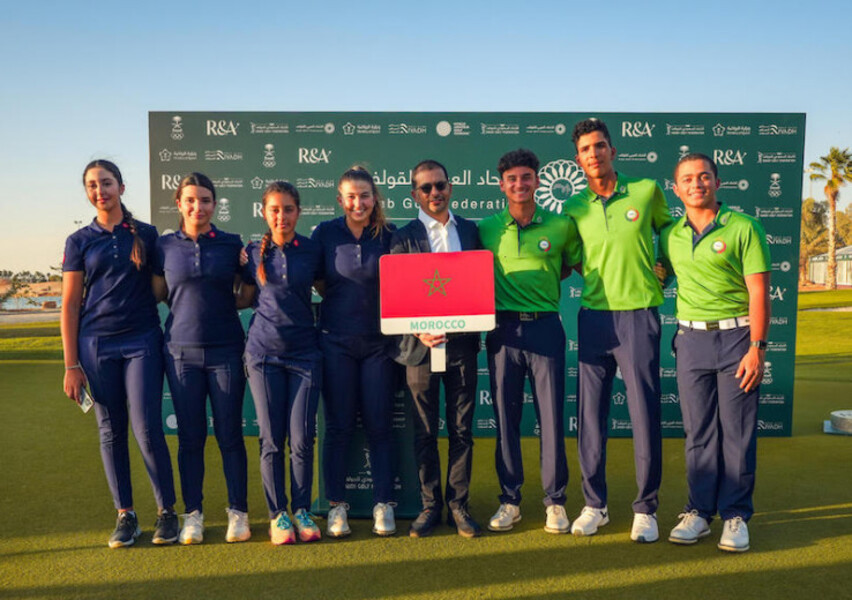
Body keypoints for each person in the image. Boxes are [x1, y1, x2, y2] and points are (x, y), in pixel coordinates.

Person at [564, 118, 671, 543]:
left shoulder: (645, 190)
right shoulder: (574, 208)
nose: (594, 154)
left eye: (600, 146)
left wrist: (666, 272)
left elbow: (675, 234)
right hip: (593, 317)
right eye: (586, 149)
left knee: (644, 413)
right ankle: (595, 505)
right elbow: (573, 258)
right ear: (578, 160)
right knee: (591, 416)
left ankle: (645, 509)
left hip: (640, 315)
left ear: (612, 151)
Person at [61, 159, 178, 548]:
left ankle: (167, 514)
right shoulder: (79, 241)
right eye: (92, 186)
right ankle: (126, 515)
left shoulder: (146, 233)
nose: (100, 191)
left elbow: (161, 288)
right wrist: (71, 365)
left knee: (146, 429)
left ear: (122, 188)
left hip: (142, 340)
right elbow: (70, 305)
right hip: (96, 347)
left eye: (106, 183)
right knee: (110, 431)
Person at [660, 153, 770, 553]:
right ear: (676, 189)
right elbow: (658, 274)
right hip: (690, 340)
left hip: (737, 339)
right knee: (699, 432)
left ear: (717, 182)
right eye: (687, 179)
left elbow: (758, 290)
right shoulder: (670, 235)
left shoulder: (743, 227)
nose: (696, 184)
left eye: (703, 176)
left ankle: (736, 514)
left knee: (737, 434)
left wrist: (757, 348)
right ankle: (700, 512)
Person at [478, 148, 580, 534]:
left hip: (546, 327)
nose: (519, 184)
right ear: (501, 184)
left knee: (551, 419)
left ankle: (555, 501)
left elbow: (569, 265)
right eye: (511, 179)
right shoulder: (485, 228)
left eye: (526, 177)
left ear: (537, 181)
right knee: (506, 419)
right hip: (502, 331)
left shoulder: (561, 224)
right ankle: (510, 500)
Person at [152, 173, 249, 545]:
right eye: (191, 200)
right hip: (180, 353)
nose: (199, 206)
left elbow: (248, 290)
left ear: (215, 204)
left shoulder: (231, 244)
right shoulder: (164, 247)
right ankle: (193, 513)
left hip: (226, 350)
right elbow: (161, 293)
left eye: (206, 200)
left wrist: (225, 305)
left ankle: (237, 511)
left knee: (229, 436)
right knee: (190, 438)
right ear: (179, 203)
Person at [389, 159, 483, 538]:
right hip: (420, 350)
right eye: (425, 188)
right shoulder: (402, 236)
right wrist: (419, 328)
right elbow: (395, 296)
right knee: (425, 432)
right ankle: (430, 506)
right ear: (415, 194)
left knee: (461, 430)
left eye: (440, 185)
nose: (434, 193)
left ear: (451, 187)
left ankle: (459, 505)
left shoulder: (472, 232)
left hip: (462, 347)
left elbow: (480, 286)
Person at [311, 166, 398, 537]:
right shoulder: (326, 233)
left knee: (379, 426)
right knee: (339, 427)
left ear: (374, 196)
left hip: (380, 345)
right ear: (339, 199)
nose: (358, 202)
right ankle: (336, 507)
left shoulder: (390, 235)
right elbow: (315, 279)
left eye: (364, 195)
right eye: (350, 196)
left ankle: (383, 504)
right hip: (335, 343)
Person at [240, 181, 324, 545]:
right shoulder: (250, 253)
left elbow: (329, 291)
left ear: (298, 212)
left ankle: (302, 509)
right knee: (272, 439)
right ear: (264, 213)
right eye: (274, 209)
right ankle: (278, 515)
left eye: (288, 209)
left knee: (303, 439)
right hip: (263, 356)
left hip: (305, 354)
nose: (281, 216)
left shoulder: (312, 250)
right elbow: (240, 295)